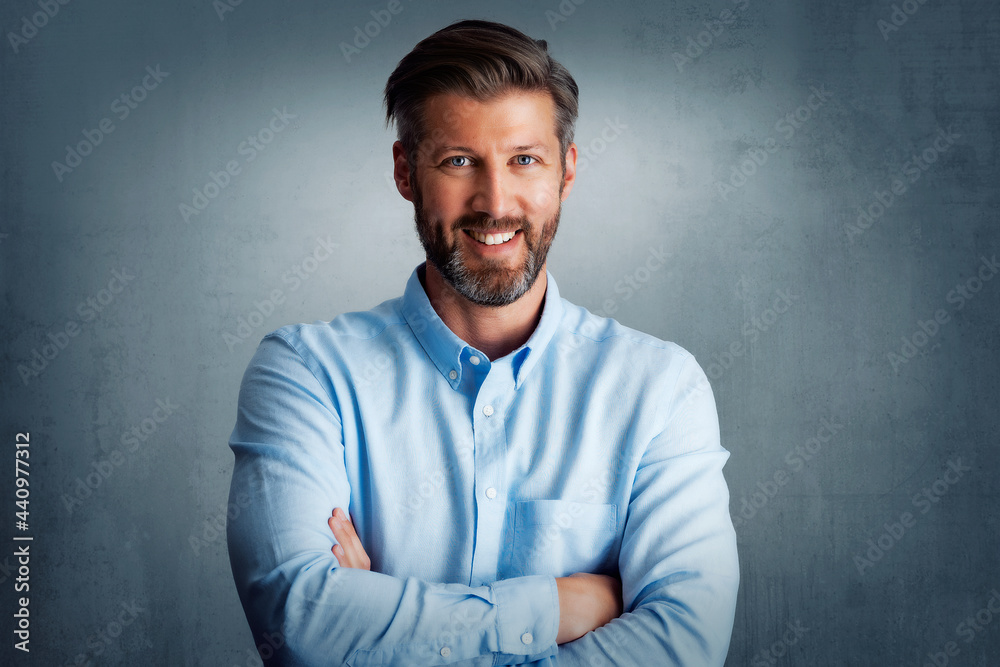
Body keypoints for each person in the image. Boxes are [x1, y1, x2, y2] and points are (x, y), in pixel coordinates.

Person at [227, 19, 739, 666]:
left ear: (567, 171)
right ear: (406, 172)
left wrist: (376, 622)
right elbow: (300, 624)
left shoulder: (661, 387)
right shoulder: (306, 373)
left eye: (525, 160)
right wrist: (558, 607)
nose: (495, 202)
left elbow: (684, 647)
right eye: (459, 161)